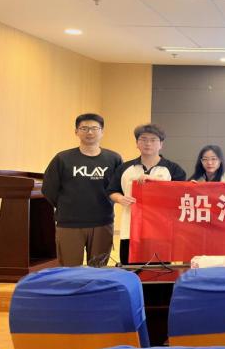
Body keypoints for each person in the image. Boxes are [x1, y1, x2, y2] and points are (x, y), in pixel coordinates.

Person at [41, 113, 122, 267]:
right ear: (76, 132)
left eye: (94, 128)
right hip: (69, 223)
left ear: (102, 132)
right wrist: (68, 205)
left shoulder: (113, 159)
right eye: (84, 128)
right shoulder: (63, 158)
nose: (89, 132)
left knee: (98, 269)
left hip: (102, 222)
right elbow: (49, 189)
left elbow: (119, 187)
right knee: (69, 270)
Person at [108, 123, 186, 265]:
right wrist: (120, 198)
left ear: (161, 144)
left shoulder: (174, 169)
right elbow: (112, 190)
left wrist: (154, 180)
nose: (148, 143)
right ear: (137, 143)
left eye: (153, 140)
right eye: (143, 139)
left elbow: (180, 193)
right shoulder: (125, 168)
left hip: (161, 230)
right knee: (130, 269)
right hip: (131, 228)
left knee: (159, 270)